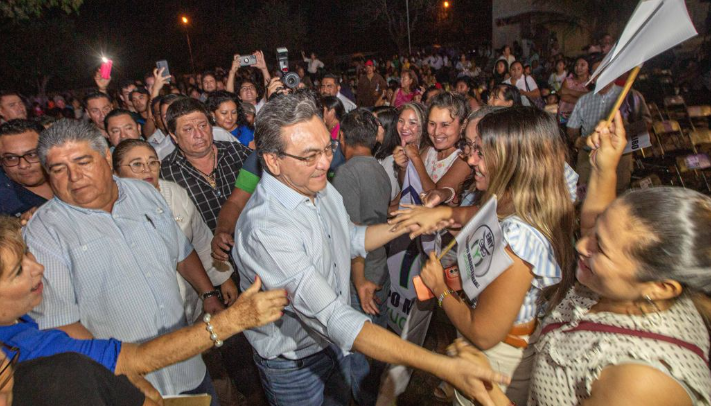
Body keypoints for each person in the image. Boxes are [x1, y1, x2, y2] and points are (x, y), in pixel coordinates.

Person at [232, 90, 509, 406]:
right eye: (310, 155)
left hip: (330, 345)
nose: (325, 162)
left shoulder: (315, 185)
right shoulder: (266, 229)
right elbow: (333, 316)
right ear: (272, 160)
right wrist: (443, 366)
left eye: (328, 148)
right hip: (295, 364)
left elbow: (350, 237)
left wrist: (406, 223)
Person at [457, 111, 711, 406]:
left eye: (599, 247)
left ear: (661, 288)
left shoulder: (642, 380)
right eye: (595, 232)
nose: (581, 245)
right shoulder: (623, 281)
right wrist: (604, 169)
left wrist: (487, 393)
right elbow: (595, 225)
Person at [21, 119, 233, 401]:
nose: (74, 177)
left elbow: (181, 251)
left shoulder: (143, 193)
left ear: (106, 157)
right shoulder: (43, 233)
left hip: (188, 366)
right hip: (127, 387)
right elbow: (62, 323)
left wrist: (208, 293)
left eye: (83, 162)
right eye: (59, 169)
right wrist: (121, 378)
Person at [390, 106, 577, 405]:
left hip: (496, 360)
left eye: (482, 153)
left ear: (514, 161)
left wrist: (439, 288)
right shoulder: (513, 202)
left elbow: (483, 332)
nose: (472, 160)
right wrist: (442, 215)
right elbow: (480, 213)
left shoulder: (518, 240)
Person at [0, 215, 288, 405]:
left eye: (27, 254)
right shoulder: (30, 349)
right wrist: (232, 320)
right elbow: (136, 358)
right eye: (18, 271)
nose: (39, 268)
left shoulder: (21, 325)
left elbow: (119, 363)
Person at [113, 139, 237, 323]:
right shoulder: (112, 211)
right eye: (137, 164)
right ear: (116, 173)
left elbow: (200, 240)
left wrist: (222, 278)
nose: (147, 169)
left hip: (192, 301)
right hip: (148, 316)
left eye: (152, 162)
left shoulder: (174, 193)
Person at [332, 108, 392, 405]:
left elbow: (351, 234)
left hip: (362, 277)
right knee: (377, 346)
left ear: (342, 138)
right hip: (379, 268)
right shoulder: (380, 169)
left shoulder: (346, 173)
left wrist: (358, 283)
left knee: (358, 353)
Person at [160, 98, 250, 232]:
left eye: (203, 126)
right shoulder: (166, 174)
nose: (199, 135)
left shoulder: (238, 153)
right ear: (174, 136)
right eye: (188, 129)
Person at [567, 60, 651, 194]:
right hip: (588, 157)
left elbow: (646, 123)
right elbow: (572, 129)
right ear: (592, 77)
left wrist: (621, 135)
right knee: (586, 195)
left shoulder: (629, 96)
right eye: (597, 72)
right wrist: (578, 140)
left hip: (619, 158)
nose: (601, 75)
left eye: (605, 70)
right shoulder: (583, 101)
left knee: (616, 196)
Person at [0, 120, 52, 218]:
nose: (23, 165)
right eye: (11, 158)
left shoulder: (75, 176)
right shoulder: (5, 203)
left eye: (32, 155)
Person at [558, 56, 591, 125]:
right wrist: (583, 97)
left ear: (589, 67)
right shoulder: (568, 81)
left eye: (582, 65)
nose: (578, 67)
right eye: (576, 65)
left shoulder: (591, 82)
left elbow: (590, 97)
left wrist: (569, 91)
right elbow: (564, 97)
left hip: (583, 117)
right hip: (565, 117)